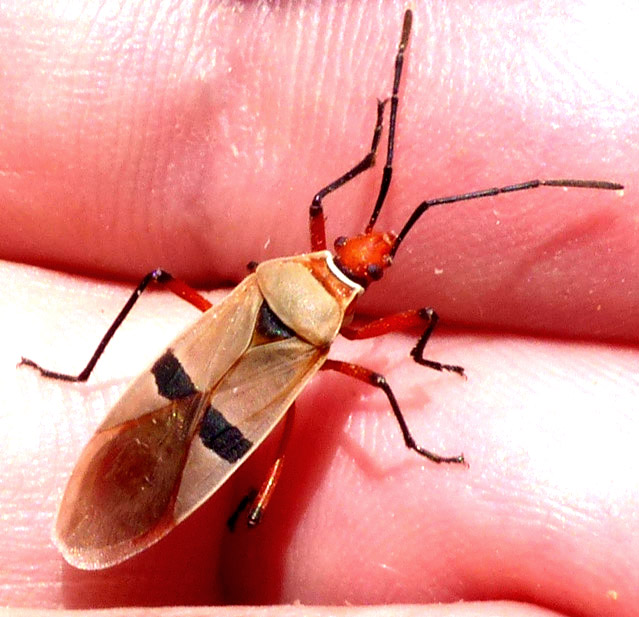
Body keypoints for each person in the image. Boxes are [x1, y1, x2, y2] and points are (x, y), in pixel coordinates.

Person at [0, 2, 636, 615]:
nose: (373, 250)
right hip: (272, 370)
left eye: (373, 260)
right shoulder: (336, 321)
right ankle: (98, 396)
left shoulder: (276, 271)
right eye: (369, 257)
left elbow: (320, 209)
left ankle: (80, 378)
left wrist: (367, 157)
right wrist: (421, 355)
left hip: (238, 344)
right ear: (342, 255)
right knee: (377, 380)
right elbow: (413, 335)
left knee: (159, 279)